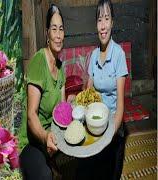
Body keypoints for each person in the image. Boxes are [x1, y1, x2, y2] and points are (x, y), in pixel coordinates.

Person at [77, 0, 128, 179]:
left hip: (113, 127)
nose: (103, 25)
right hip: (96, 124)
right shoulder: (93, 55)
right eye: (100, 20)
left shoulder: (119, 55)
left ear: (112, 22)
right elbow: (88, 96)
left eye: (107, 19)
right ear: (96, 25)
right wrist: (75, 102)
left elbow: (120, 107)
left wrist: (107, 138)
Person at [18, 4, 68, 179]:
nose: (58, 35)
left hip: (54, 139)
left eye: (61, 29)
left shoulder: (61, 68)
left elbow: (62, 111)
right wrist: (46, 136)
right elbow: (32, 115)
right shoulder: (39, 60)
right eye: (54, 29)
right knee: (44, 176)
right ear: (47, 33)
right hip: (33, 142)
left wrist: (73, 106)